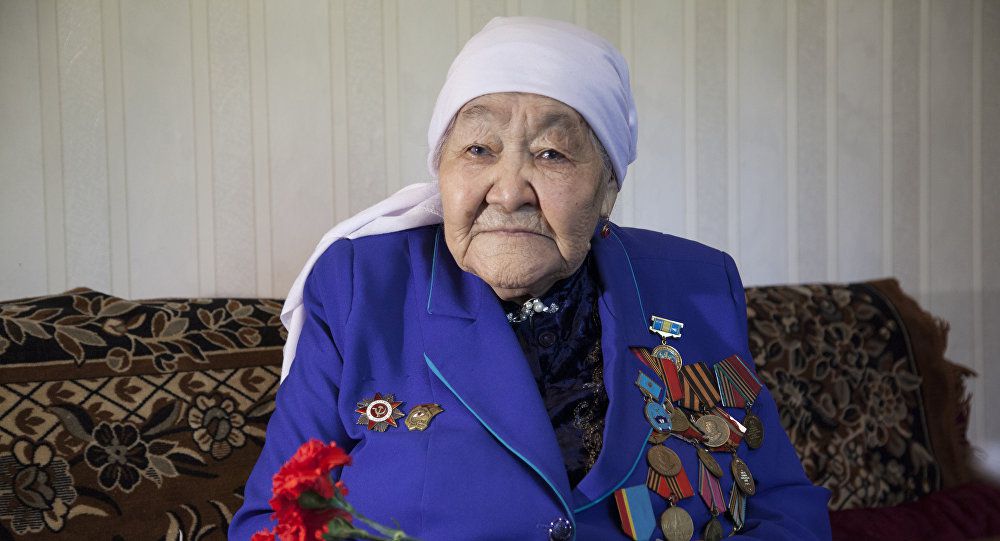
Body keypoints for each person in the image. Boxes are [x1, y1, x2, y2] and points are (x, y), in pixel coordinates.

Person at [230, 16, 831, 541]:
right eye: (478, 150)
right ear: (442, 171)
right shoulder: (363, 289)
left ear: (608, 189)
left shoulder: (695, 285)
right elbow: (273, 520)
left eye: (551, 154)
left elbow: (782, 506)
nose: (510, 190)